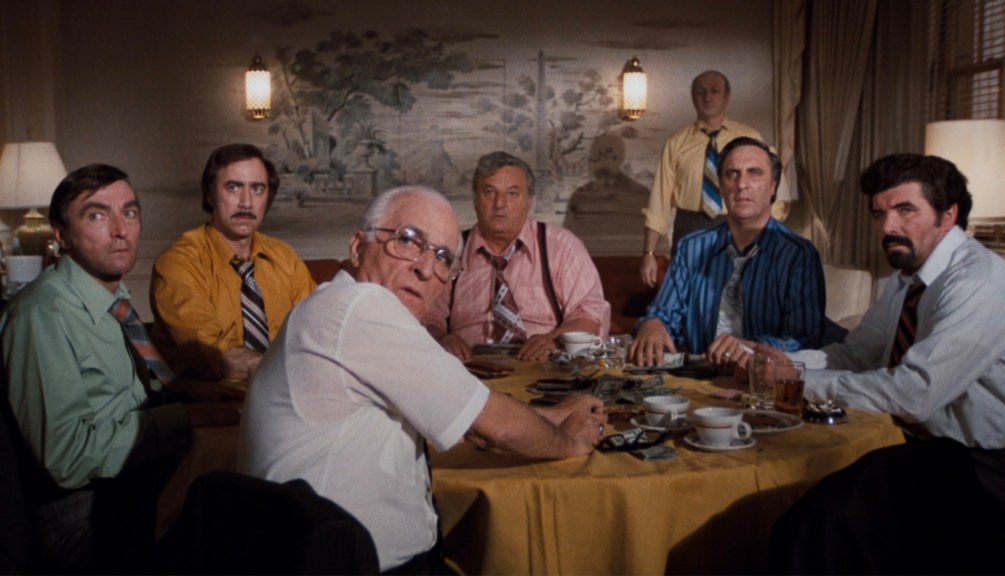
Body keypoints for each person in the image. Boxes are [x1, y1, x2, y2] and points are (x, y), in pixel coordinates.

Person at [237, 185, 607, 573]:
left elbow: (468, 414)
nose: (426, 268)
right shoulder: (359, 306)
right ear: (358, 246)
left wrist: (554, 414)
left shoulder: (337, 307)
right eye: (408, 240)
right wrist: (570, 442)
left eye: (443, 257)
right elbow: (497, 426)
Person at [766, 153, 1005, 573]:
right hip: (923, 446)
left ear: (948, 214)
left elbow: (911, 396)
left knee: (823, 520)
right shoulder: (908, 278)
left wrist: (794, 381)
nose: (888, 227)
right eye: (879, 214)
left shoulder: (977, 284)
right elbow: (856, 354)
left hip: (990, 465)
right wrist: (784, 364)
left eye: (906, 210)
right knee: (791, 485)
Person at [0, 164, 239, 573]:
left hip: (136, 480)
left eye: (129, 212)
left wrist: (186, 391)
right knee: (240, 526)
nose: (120, 230)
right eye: (97, 215)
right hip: (82, 513)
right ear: (61, 235)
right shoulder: (42, 315)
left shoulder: (114, 298)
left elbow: (132, 394)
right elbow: (68, 457)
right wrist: (185, 417)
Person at [630, 137, 825, 369]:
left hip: (761, 378)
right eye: (732, 174)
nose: (742, 184)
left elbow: (805, 338)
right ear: (721, 188)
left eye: (754, 173)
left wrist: (752, 348)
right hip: (697, 377)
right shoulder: (691, 248)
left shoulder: (798, 255)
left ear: (772, 186)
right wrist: (652, 325)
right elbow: (664, 314)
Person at [150, 143, 316, 382]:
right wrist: (288, 371)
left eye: (257, 189)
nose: (246, 202)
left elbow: (317, 332)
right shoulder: (178, 263)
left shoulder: (285, 258)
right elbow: (216, 354)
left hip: (287, 392)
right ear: (210, 194)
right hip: (216, 401)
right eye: (233, 187)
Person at [423, 151, 611, 362]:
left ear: (528, 201)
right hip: (467, 369)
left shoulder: (562, 246)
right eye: (489, 192)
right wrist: (442, 338)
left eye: (512, 193)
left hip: (544, 368)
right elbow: (425, 317)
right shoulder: (450, 251)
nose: (499, 204)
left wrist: (553, 340)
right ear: (475, 199)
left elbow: (590, 314)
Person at [640, 70, 765, 288]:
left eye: (715, 91)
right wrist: (649, 254)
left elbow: (769, 194)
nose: (707, 97)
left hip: (738, 227)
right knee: (689, 298)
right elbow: (659, 201)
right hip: (689, 229)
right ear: (693, 98)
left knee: (736, 300)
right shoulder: (677, 142)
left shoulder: (750, 139)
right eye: (700, 92)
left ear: (726, 97)